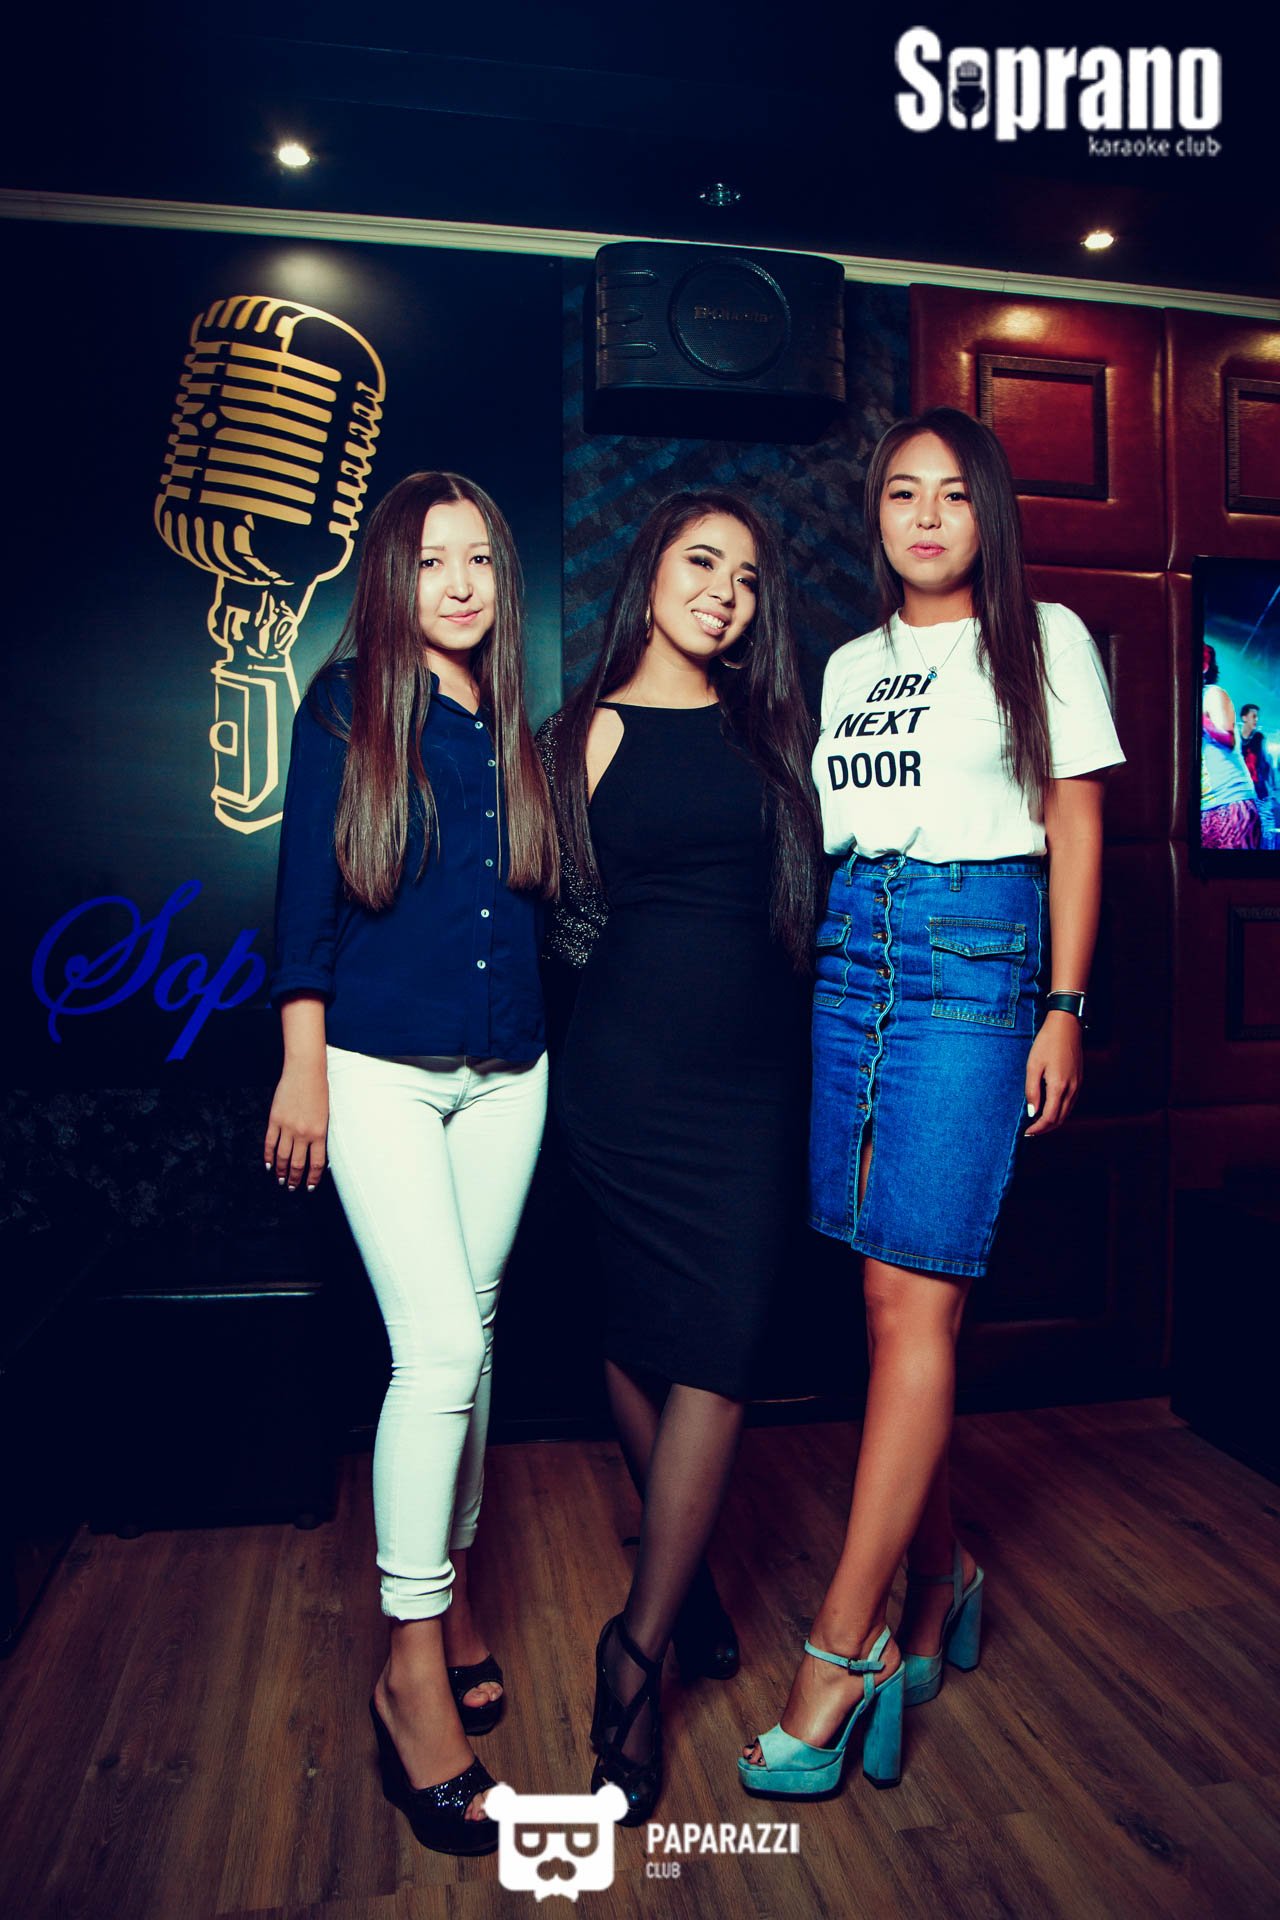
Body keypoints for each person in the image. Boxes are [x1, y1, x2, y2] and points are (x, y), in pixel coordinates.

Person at [739, 406, 1125, 1799]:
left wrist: (1063, 1006)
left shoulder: (1043, 638)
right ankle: (942, 1572)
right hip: (853, 958)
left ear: (986, 514)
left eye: (951, 494)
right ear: (876, 516)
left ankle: (841, 1650)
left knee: (919, 1301)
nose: (923, 516)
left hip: (976, 957)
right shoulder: (849, 664)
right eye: (901, 493)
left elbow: (1075, 823)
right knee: (885, 1305)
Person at [264, 471, 558, 1856]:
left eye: (479, 560)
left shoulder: (513, 722)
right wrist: (302, 1065)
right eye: (433, 559)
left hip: (511, 1075)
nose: (458, 583)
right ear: (393, 575)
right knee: (437, 1350)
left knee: (476, 1341)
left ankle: (459, 1593)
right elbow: (302, 903)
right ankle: (410, 1668)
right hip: (377, 1070)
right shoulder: (347, 705)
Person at [538, 489, 824, 1823]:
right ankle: (673, 1610)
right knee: (639, 1330)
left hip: (753, 1087)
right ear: (648, 572)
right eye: (701, 562)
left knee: (721, 1343)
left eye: (748, 578)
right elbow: (543, 917)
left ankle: (634, 1638)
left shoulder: (774, 735)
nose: (724, 591)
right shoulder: (579, 735)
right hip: (626, 1078)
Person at [1201, 648, 1261, 850]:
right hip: (1206, 808)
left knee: (1235, 869)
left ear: (1205, 666)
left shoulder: (1212, 694)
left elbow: (1228, 737)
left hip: (1231, 802)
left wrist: (1200, 719)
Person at [1240, 703, 1278, 847]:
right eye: (1253, 716)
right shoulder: (1236, 740)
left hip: (1260, 791)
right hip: (1243, 793)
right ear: (1244, 717)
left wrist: (1272, 789)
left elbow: (1267, 764)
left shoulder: (1259, 738)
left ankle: (1268, 854)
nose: (1256, 719)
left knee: (1266, 826)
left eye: (1257, 717)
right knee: (1244, 827)